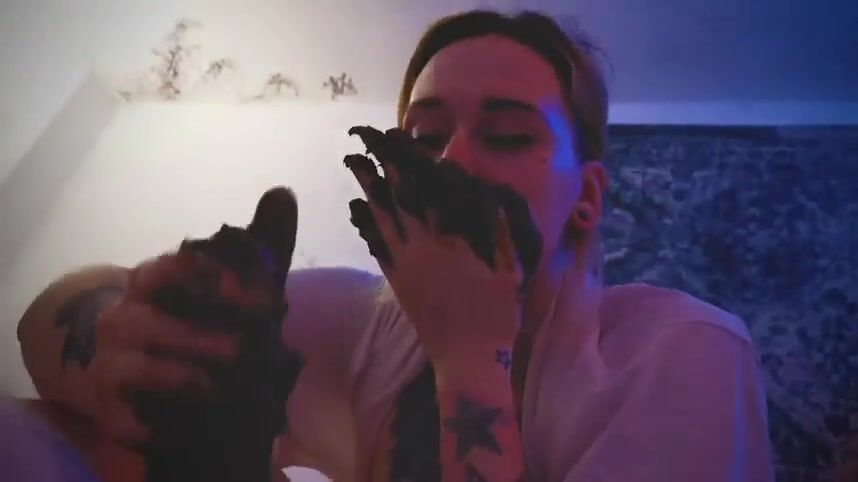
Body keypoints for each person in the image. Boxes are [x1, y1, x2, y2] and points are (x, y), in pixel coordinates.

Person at [15, 9, 775, 482]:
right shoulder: (354, 316)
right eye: (425, 137)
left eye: (509, 135)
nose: (454, 162)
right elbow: (43, 322)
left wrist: (469, 356)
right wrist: (128, 331)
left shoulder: (682, 351)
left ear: (588, 197)